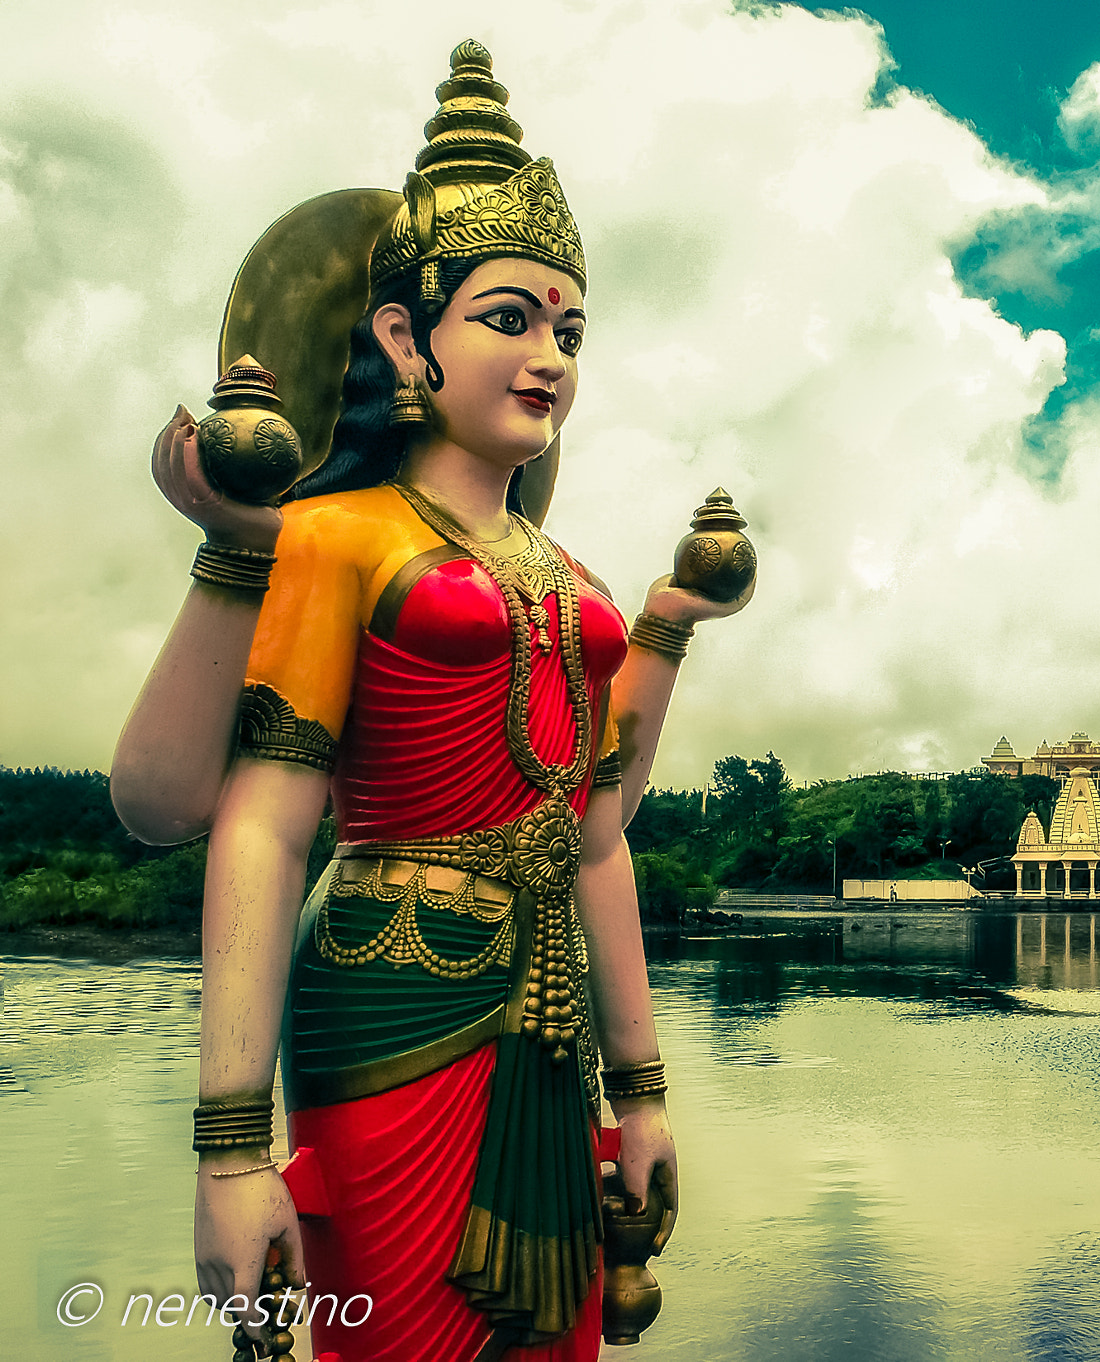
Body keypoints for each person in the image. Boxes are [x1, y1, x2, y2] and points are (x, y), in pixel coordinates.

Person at [109, 41, 747, 1362]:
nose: (549, 356)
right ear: (406, 335)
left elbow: (596, 829)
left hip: (548, 1014)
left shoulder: (569, 578)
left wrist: (646, 1093)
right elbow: (255, 824)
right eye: (509, 318)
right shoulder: (334, 535)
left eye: (569, 329)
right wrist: (231, 1146)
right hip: (392, 1007)